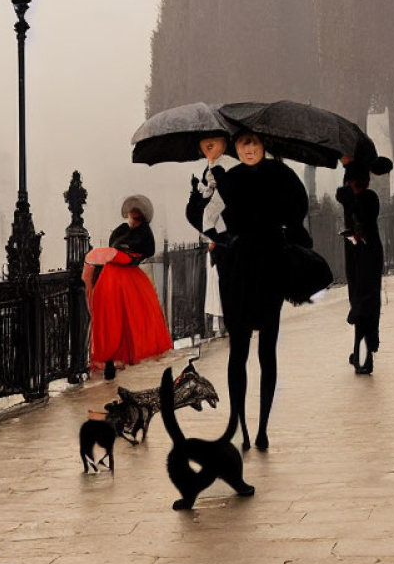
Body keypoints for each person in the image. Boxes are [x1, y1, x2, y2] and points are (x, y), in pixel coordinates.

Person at [214, 131, 311, 451]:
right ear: (237, 147)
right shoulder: (227, 178)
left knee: (266, 350)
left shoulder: (281, 175)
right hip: (239, 271)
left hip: (268, 269)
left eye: (255, 143)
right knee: (238, 351)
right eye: (244, 144)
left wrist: (284, 230)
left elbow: (299, 210)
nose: (250, 149)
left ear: (263, 145)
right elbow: (209, 218)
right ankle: (239, 422)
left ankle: (262, 427)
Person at [88, 195, 173, 381]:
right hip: (112, 279)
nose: (132, 220)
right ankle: (110, 359)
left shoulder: (143, 233)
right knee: (112, 320)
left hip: (123, 279)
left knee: (127, 319)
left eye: (136, 217)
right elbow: (115, 248)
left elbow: (140, 252)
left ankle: (120, 357)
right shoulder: (122, 231)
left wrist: (123, 253)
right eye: (131, 216)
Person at [335, 140, 393, 375]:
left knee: (364, 306)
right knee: (362, 303)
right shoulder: (359, 198)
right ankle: (361, 352)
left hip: (365, 253)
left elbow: (361, 220)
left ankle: (364, 357)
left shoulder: (366, 198)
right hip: (359, 252)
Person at [185, 134, 237, 336]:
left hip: (225, 232)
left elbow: (225, 198)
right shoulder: (211, 166)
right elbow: (208, 195)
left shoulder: (227, 165)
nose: (208, 145)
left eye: (213, 141)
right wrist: (198, 189)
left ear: (224, 144)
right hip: (218, 233)